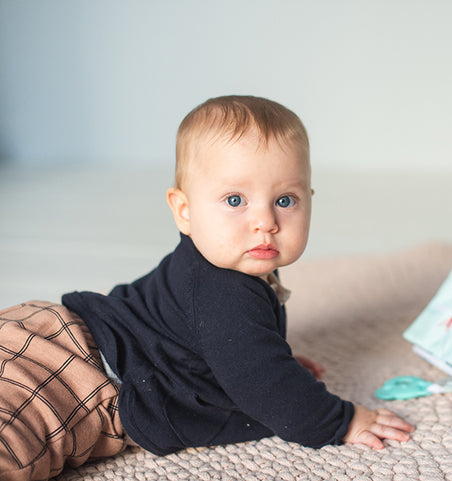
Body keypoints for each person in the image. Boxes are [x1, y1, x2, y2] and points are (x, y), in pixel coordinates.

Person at [0, 95, 414, 481]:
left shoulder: (220, 266)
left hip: (48, 327)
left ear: (309, 198)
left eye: (285, 200)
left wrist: (266, 356)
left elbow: (233, 354)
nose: (265, 221)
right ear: (184, 210)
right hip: (74, 378)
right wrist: (340, 420)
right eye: (235, 200)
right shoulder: (224, 291)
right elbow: (263, 387)